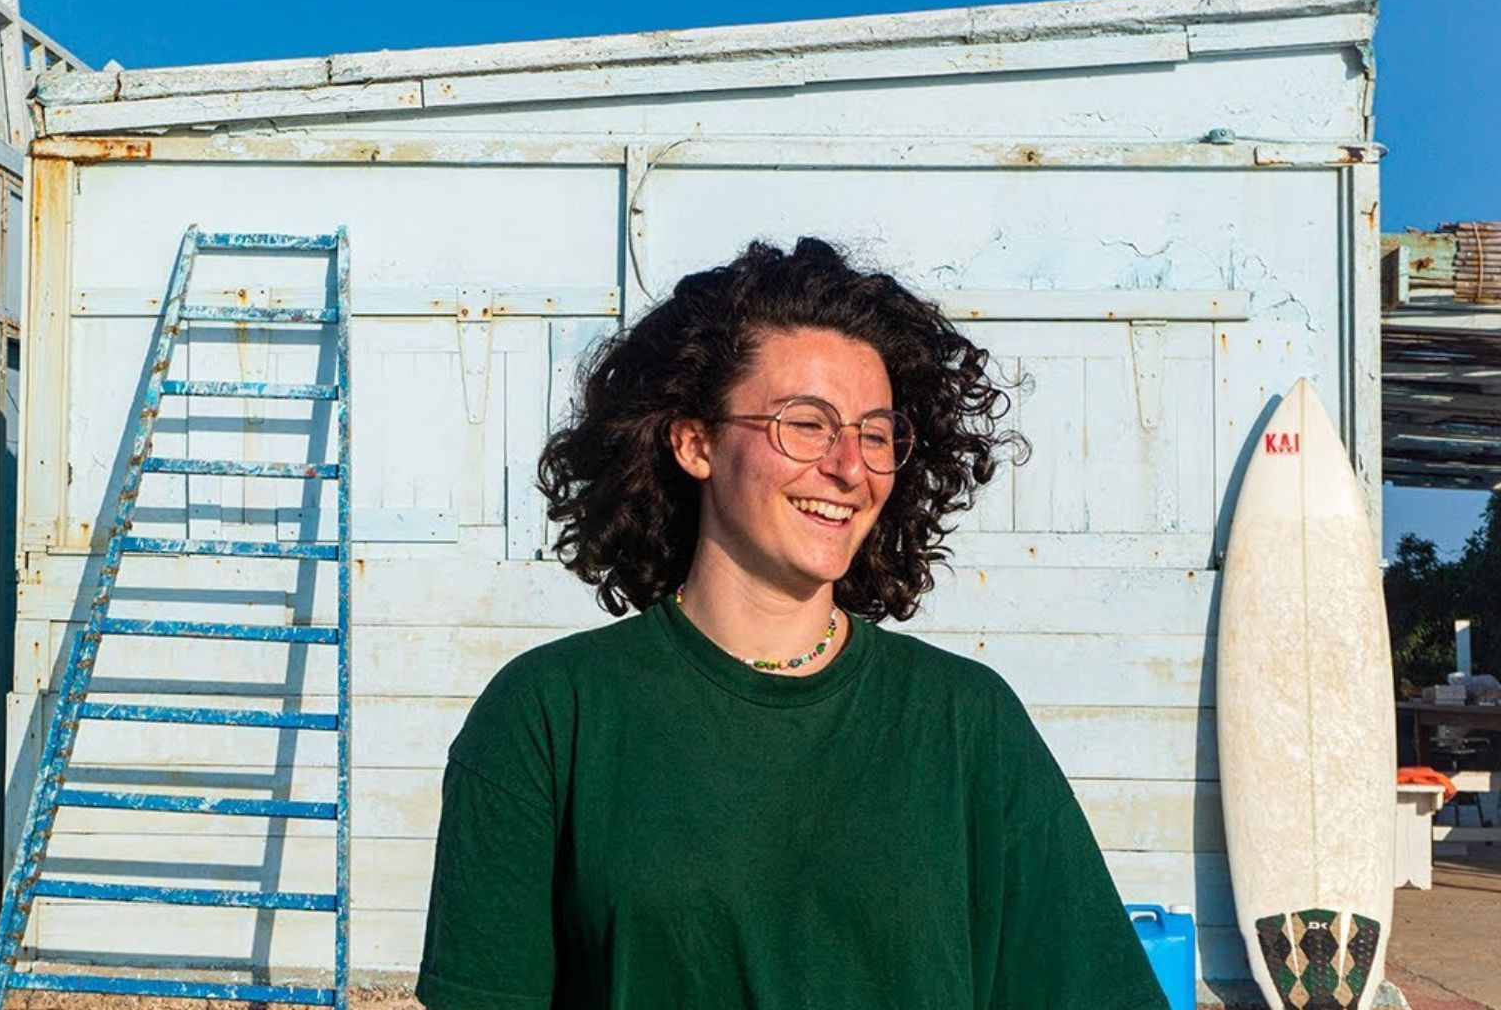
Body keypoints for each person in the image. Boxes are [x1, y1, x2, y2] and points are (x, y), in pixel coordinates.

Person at [414, 238, 1169, 1010]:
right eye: (806, 425)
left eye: (875, 434)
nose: (850, 467)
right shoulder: (550, 715)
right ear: (696, 442)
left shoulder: (966, 722)